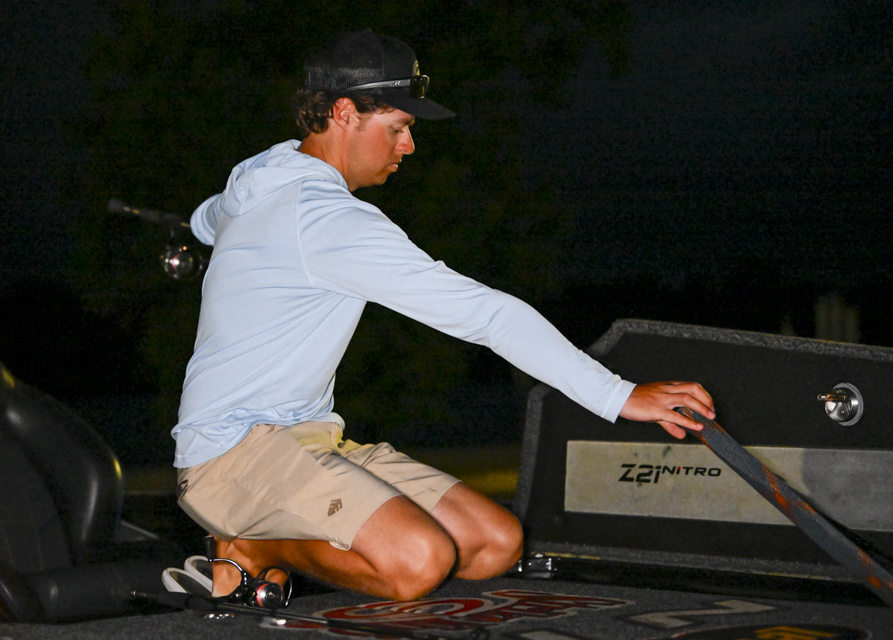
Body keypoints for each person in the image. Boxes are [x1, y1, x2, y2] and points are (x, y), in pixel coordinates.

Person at [172, 28, 714, 602]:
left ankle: (282, 537)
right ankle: (250, 548)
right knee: (420, 561)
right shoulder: (328, 218)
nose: (408, 146)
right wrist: (619, 395)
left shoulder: (257, 174)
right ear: (345, 113)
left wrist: (207, 232)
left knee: (495, 543)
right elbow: (488, 316)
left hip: (309, 440)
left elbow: (209, 217)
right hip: (230, 456)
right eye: (398, 127)